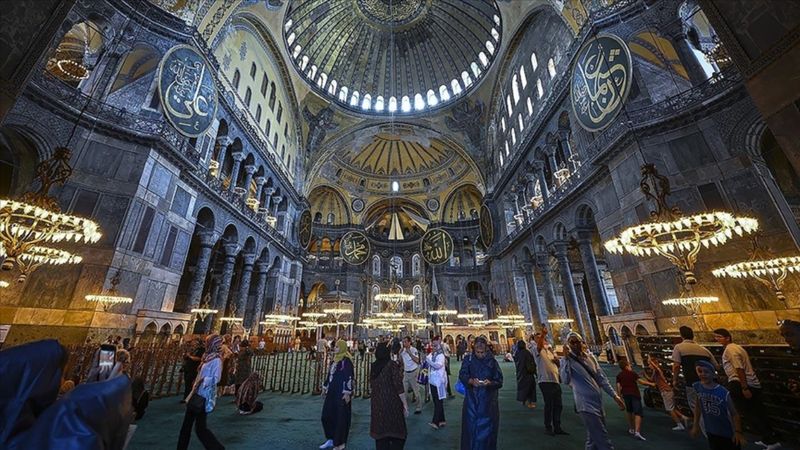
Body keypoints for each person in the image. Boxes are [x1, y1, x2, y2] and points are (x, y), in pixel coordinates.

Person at [713, 328, 780, 449]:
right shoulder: (736, 347)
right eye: (716, 337)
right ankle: (768, 438)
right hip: (749, 383)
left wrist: (744, 388)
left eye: (719, 337)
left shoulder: (730, 349)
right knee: (758, 412)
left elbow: (739, 369)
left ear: (728, 337)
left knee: (750, 414)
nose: (717, 339)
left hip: (740, 383)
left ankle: (771, 441)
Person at [560, 331, 625, 450]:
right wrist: (565, 359)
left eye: (577, 342)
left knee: (593, 439)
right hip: (585, 405)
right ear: (568, 345)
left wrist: (615, 396)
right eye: (572, 343)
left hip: (598, 403)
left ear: (582, 342)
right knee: (602, 437)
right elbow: (565, 380)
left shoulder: (590, 358)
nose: (576, 345)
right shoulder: (568, 361)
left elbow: (601, 378)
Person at [178, 334, 225, 450]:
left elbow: (216, 378)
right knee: (188, 426)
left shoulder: (216, 360)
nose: (205, 344)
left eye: (207, 342)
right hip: (196, 392)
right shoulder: (206, 357)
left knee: (200, 428)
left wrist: (203, 380)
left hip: (204, 396)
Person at [459, 336, 503, 450]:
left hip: (488, 403)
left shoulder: (492, 361)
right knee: (470, 431)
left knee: (488, 434)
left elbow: (499, 381)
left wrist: (490, 383)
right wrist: (471, 381)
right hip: (471, 402)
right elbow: (462, 375)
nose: (480, 354)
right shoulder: (468, 359)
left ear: (486, 350)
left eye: (482, 352)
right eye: (477, 352)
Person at [690, 360, 744, 450]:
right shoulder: (698, 387)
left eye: (706, 372)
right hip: (711, 431)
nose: (702, 374)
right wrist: (696, 425)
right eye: (700, 371)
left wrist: (738, 432)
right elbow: (698, 407)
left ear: (713, 375)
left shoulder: (723, 392)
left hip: (727, 432)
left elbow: (735, 414)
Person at [672, 326, 717, 422]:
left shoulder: (679, 347)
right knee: (708, 406)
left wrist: (674, 380)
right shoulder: (704, 350)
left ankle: (705, 428)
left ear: (681, 336)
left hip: (692, 383)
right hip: (708, 384)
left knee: (696, 408)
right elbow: (716, 367)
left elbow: (676, 366)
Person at [370, 342, 409, 450]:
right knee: (396, 432)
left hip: (377, 404)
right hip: (392, 403)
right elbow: (398, 386)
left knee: (381, 435)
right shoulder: (391, 365)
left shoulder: (374, 366)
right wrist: (405, 404)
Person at [320, 340, 354, 450]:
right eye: (335, 347)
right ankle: (331, 439)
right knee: (327, 415)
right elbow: (330, 374)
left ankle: (340, 443)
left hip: (341, 393)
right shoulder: (334, 360)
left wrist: (347, 392)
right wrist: (325, 387)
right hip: (332, 392)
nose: (335, 348)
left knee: (341, 418)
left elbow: (349, 376)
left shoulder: (346, 361)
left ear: (342, 347)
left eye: (338, 347)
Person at [639, 354, 688, 431]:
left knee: (669, 409)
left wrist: (650, 360)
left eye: (650, 364)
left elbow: (656, 368)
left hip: (666, 392)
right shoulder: (655, 372)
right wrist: (644, 375)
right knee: (672, 407)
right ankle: (683, 417)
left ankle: (680, 425)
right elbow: (651, 380)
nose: (649, 366)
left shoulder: (658, 370)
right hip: (666, 392)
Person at [534, 327, 567, 435]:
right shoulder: (536, 349)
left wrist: (557, 361)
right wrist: (543, 334)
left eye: (543, 338)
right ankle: (548, 427)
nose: (542, 339)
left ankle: (557, 426)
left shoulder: (550, 350)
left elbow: (558, 364)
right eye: (539, 338)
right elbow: (539, 346)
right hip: (545, 381)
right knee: (549, 404)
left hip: (555, 380)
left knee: (558, 405)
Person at [616, 358, 646, 440]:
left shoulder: (619, 375)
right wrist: (651, 384)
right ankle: (637, 431)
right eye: (629, 365)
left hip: (625, 395)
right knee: (638, 412)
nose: (630, 366)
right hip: (634, 394)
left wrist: (620, 397)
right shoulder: (632, 373)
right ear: (626, 366)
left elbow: (618, 387)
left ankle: (631, 428)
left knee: (629, 411)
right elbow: (641, 382)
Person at [426, 335, 448, 429]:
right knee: (437, 401)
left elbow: (438, 366)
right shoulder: (432, 354)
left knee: (438, 402)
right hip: (432, 381)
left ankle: (435, 422)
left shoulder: (441, 355)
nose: (434, 347)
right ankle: (442, 420)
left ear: (439, 345)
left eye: (436, 345)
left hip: (439, 382)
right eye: (433, 345)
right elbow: (426, 359)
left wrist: (428, 361)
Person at [399, 336, 422, 414]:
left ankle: (418, 407)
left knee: (416, 392)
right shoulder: (403, 351)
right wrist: (399, 353)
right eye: (403, 342)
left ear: (409, 342)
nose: (404, 343)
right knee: (403, 392)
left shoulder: (414, 350)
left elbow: (417, 360)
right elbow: (400, 361)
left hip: (413, 372)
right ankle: (404, 407)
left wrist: (410, 353)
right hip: (406, 373)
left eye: (405, 342)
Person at [513, 339, 537, 408]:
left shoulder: (516, 353)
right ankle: (530, 403)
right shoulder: (527, 353)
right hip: (527, 373)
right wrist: (534, 371)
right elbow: (531, 363)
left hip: (520, 373)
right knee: (530, 388)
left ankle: (524, 400)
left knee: (522, 387)